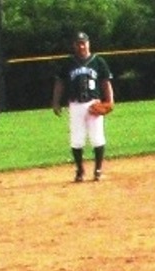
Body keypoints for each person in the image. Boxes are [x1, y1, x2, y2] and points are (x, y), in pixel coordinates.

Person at [51, 31, 114, 182]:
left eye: (83, 43)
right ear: (74, 45)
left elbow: (106, 83)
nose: (81, 46)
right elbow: (60, 83)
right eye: (78, 43)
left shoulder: (98, 61)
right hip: (75, 104)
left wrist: (110, 100)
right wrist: (55, 102)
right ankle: (80, 170)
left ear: (88, 43)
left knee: (97, 137)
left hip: (94, 104)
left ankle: (98, 170)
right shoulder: (68, 62)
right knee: (76, 139)